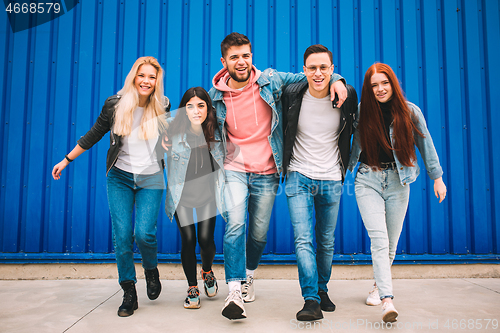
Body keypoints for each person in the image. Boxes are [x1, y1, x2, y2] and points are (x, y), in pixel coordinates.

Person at [208, 32, 347, 320]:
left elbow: (312, 75)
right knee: (235, 223)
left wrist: (338, 80)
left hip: (267, 171)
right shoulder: (215, 95)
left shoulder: (271, 80)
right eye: (234, 57)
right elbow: (197, 125)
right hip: (233, 168)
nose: (242, 61)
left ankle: (248, 274)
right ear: (224, 61)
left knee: (258, 234)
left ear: (251, 56)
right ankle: (234, 289)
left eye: (246, 55)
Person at [52, 57, 170, 317]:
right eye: (142, 76)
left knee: (144, 234)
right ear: (133, 77)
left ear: (156, 82)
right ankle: (128, 290)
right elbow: (93, 134)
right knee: (122, 236)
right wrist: (66, 160)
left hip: (151, 178)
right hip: (120, 177)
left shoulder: (163, 105)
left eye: (152, 77)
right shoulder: (114, 105)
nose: (146, 81)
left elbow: (168, 139)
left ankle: (151, 270)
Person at [348, 63, 447, 323]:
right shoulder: (362, 112)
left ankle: (378, 286)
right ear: (368, 90)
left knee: (390, 243)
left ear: (393, 84)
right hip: (367, 179)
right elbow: (350, 144)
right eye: (374, 85)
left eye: (385, 83)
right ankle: (387, 300)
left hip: (398, 182)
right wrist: (339, 175)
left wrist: (437, 178)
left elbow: (426, 145)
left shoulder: (410, 112)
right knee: (379, 240)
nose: (380, 89)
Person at [282, 44, 358, 321]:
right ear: (303, 70)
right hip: (298, 174)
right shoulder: (291, 94)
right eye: (312, 68)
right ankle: (311, 299)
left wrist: (341, 83)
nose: (317, 73)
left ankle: (322, 289)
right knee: (304, 239)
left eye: (323, 68)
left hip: (331, 177)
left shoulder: (346, 96)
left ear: (332, 69)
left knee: (325, 240)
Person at [164, 87, 224, 309]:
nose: (196, 110)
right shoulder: (173, 131)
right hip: (181, 196)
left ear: (208, 108)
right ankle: (192, 287)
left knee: (206, 240)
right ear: (184, 109)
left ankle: (207, 270)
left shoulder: (216, 133)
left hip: (208, 195)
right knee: (188, 240)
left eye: (201, 105)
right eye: (190, 106)